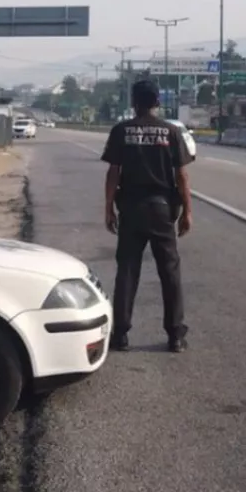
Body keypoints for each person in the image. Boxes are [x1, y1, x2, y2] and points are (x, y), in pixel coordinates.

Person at [100, 79, 194, 353]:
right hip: (163, 210)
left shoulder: (121, 130)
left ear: (134, 102)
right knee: (170, 272)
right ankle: (175, 335)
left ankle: (121, 335)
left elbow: (113, 173)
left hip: (130, 209)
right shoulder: (171, 132)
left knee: (127, 271)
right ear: (158, 102)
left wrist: (108, 208)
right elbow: (182, 176)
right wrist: (187, 211)